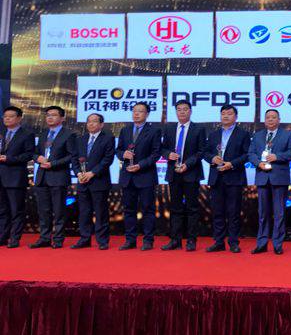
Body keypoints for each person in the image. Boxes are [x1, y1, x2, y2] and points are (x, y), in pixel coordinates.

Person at [249, 108, 291, 255]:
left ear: (279, 120)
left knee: (279, 213)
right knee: (263, 213)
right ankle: (262, 243)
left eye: (273, 117)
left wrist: (277, 157)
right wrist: (259, 163)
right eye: (268, 117)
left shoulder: (288, 135)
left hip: (279, 178)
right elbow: (251, 153)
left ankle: (277, 244)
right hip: (262, 177)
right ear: (264, 120)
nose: (270, 119)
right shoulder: (257, 135)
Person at [204, 104, 251, 254]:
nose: (225, 116)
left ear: (236, 117)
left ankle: (233, 242)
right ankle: (219, 242)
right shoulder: (213, 134)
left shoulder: (243, 134)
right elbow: (205, 152)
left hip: (234, 177)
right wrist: (212, 158)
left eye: (229, 113)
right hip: (216, 177)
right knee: (217, 212)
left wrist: (232, 164)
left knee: (233, 212)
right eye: (223, 113)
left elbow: (247, 154)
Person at [161, 100, 207, 251]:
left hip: (191, 173)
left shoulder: (198, 129)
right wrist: (168, 154)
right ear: (176, 112)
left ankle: (191, 240)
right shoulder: (169, 128)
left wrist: (187, 164)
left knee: (192, 208)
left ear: (190, 111)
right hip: (174, 173)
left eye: (185, 109)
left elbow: (201, 151)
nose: (182, 112)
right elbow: (162, 149)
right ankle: (175, 240)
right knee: (175, 208)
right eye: (179, 109)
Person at [116, 102, 161, 251]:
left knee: (147, 209)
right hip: (127, 176)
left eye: (140, 111)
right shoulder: (125, 130)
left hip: (145, 175)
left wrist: (140, 165)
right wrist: (123, 154)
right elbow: (118, 150)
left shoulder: (154, 130)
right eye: (134, 111)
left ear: (147, 114)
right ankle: (130, 240)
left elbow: (156, 154)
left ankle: (148, 240)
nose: (136, 114)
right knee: (129, 210)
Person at [30, 106, 76, 249]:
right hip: (42, 177)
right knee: (43, 210)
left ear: (62, 118)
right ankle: (44, 238)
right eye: (48, 115)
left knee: (59, 210)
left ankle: (58, 239)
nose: (50, 117)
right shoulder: (43, 133)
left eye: (54, 115)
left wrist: (53, 164)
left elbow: (72, 156)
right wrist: (38, 158)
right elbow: (34, 153)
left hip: (58, 176)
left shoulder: (69, 134)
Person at [71, 113, 115, 249]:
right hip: (83, 181)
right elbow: (74, 158)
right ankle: (85, 238)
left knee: (101, 212)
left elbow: (107, 159)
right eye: (89, 121)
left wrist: (92, 173)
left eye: (94, 121)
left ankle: (102, 241)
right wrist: (78, 173)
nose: (91, 124)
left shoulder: (108, 138)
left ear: (101, 124)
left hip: (99, 181)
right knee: (84, 212)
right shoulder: (80, 139)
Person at [0, 106, 35, 248]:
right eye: (5, 116)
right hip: (1, 176)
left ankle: (15, 238)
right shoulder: (2, 133)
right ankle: (2, 237)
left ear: (19, 118)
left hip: (15, 177)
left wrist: (9, 159)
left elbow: (29, 154)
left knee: (16, 210)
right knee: (2, 210)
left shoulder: (26, 134)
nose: (7, 119)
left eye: (11, 116)